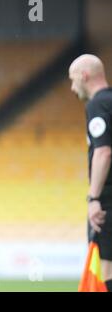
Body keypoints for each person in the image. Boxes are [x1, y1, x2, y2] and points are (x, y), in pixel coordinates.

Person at [69, 54, 112, 291]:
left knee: (106, 271)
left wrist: (94, 198)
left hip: (108, 203)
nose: (72, 87)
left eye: (73, 79)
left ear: (84, 76)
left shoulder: (97, 104)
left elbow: (104, 151)